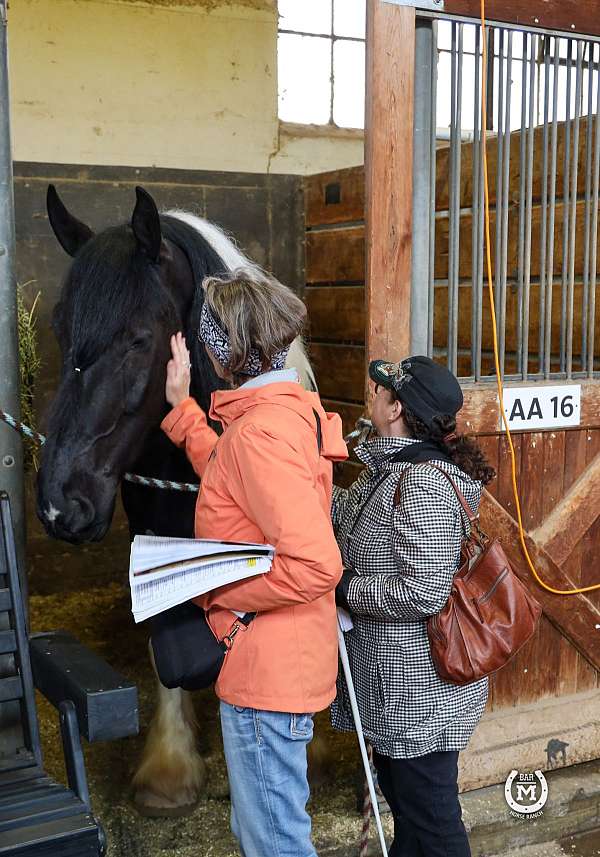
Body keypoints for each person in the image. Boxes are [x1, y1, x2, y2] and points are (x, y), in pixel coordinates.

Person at [160, 267, 348, 857]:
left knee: (275, 843)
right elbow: (236, 475)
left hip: (268, 672)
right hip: (279, 662)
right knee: (261, 830)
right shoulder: (281, 414)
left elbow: (318, 564)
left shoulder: (258, 435)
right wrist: (184, 413)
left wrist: (223, 590)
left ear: (223, 355)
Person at [331, 356, 496, 857]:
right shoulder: (391, 468)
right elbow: (350, 515)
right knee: (410, 815)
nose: (372, 400)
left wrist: (344, 589)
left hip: (419, 694)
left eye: (380, 393)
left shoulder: (421, 483)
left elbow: (424, 590)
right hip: (400, 687)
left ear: (396, 407)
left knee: (432, 821)